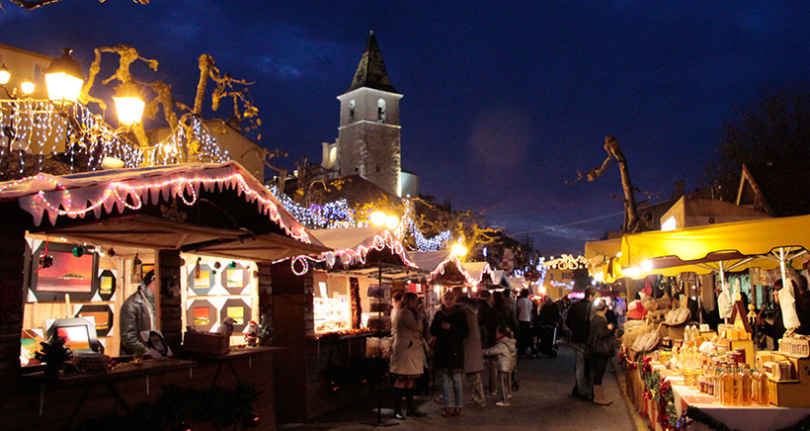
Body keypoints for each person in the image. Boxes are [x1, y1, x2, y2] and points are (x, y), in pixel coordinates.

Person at [389, 292, 427, 419]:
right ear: (409, 301)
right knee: (402, 378)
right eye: (415, 301)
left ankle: (411, 408)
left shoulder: (408, 313)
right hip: (405, 349)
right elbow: (416, 326)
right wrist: (420, 315)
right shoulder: (404, 313)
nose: (417, 304)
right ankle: (397, 409)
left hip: (411, 349)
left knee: (410, 378)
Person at [431, 291, 469, 418]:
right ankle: (447, 405)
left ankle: (458, 405)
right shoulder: (438, 314)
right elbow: (432, 330)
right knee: (445, 379)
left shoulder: (460, 314)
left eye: (450, 298)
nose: (448, 300)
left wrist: (451, 328)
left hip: (455, 349)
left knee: (456, 379)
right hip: (442, 350)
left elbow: (465, 332)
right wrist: (440, 326)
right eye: (446, 298)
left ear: (454, 300)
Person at [453, 287, 486, 408]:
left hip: (468, 343)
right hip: (473, 343)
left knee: (469, 373)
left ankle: (478, 399)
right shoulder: (471, 309)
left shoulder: (463, 309)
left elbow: (463, 328)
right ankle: (477, 398)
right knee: (471, 373)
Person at [567, 286, 596, 401]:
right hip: (588, 340)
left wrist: (574, 329)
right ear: (591, 296)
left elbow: (568, 321)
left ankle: (580, 389)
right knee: (588, 365)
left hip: (576, 338)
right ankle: (586, 389)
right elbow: (592, 324)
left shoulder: (575, 306)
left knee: (579, 365)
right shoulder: (591, 307)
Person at [120, 269, 157, 355]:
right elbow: (129, 338)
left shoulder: (156, 303)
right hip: (138, 359)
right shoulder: (132, 304)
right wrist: (148, 353)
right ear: (153, 283)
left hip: (155, 356)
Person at [588, 300, 616, 405]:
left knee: (597, 373)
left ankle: (599, 396)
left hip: (594, 348)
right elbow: (601, 334)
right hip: (600, 349)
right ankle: (598, 397)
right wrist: (609, 329)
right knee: (599, 373)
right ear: (604, 309)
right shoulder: (601, 319)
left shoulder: (594, 317)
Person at [482, 326, 517, 407]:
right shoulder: (509, 343)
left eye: (497, 333)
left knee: (501, 383)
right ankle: (507, 394)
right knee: (505, 382)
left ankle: (504, 400)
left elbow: (490, 351)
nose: (495, 334)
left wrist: (480, 352)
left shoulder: (501, 344)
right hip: (509, 365)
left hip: (503, 366)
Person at [478, 289, 499, 395]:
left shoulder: (488, 309)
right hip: (497, 337)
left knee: (493, 363)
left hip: (492, 337)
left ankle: (493, 387)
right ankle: (496, 387)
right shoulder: (493, 309)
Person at [757, 279, 786, 346]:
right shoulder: (778, 309)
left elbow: (780, 333)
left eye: (777, 290)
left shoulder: (788, 310)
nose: (774, 293)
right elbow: (775, 332)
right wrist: (763, 324)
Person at [516, 289, 534, 357]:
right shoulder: (530, 301)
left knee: (521, 336)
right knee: (528, 335)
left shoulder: (520, 301)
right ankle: (532, 350)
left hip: (521, 319)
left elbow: (518, 310)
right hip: (527, 319)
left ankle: (521, 351)